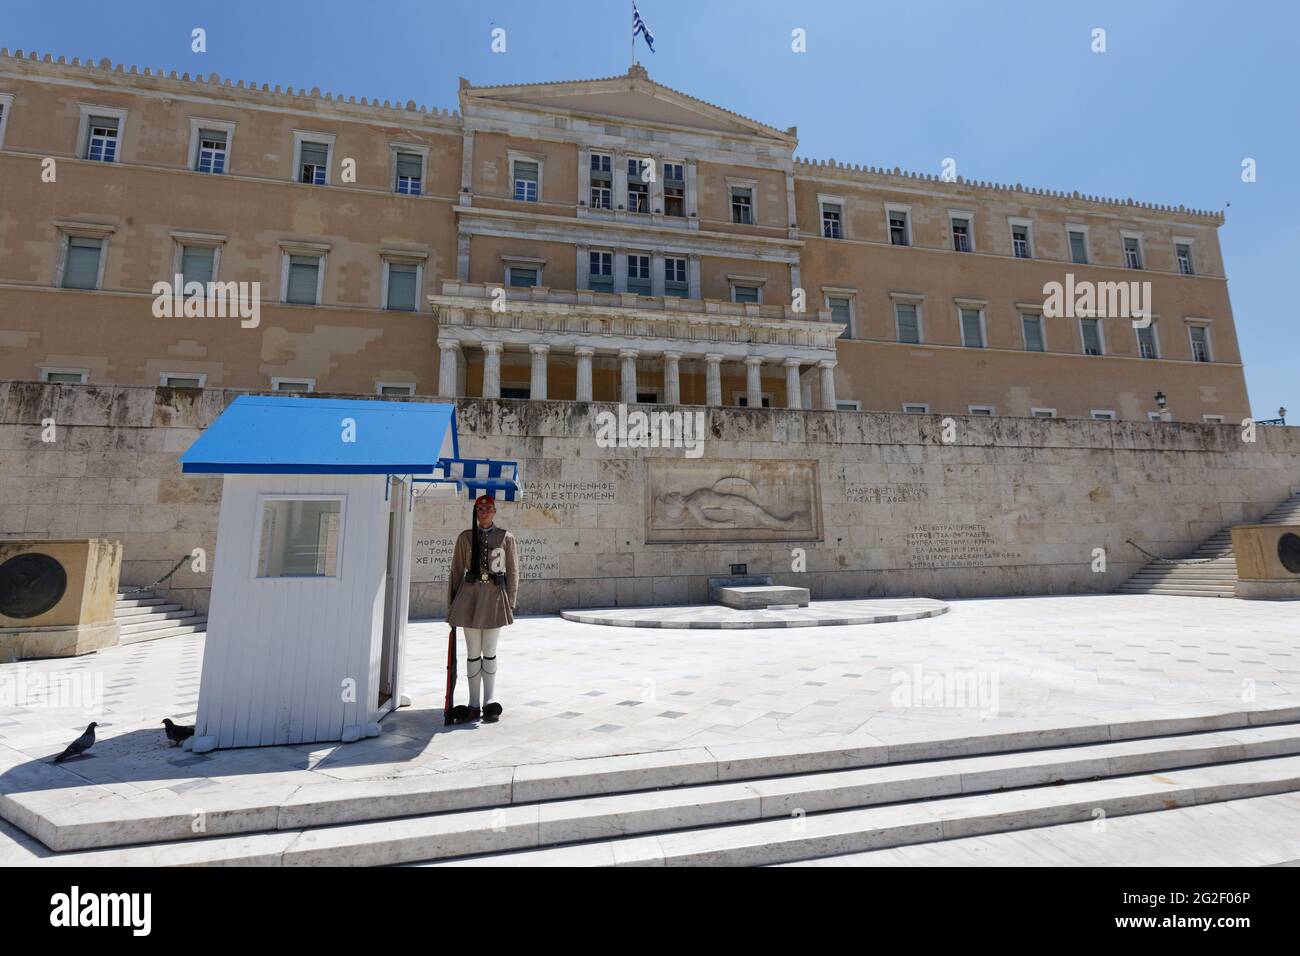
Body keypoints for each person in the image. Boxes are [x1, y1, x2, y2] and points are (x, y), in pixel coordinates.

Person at [446, 494, 519, 723]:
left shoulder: (506, 537)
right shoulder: (465, 537)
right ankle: (473, 702)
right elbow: (456, 571)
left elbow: (513, 572)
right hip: (469, 599)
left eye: (488, 509)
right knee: (472, 653)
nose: (484, 513)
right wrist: (452, 606)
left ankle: (489, 701)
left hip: (495, 598)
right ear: (476, 512)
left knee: (490, 650)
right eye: (480, 509)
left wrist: (511, 602)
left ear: (495, 512)